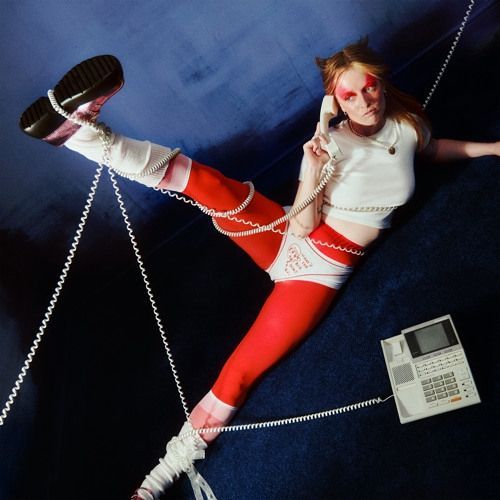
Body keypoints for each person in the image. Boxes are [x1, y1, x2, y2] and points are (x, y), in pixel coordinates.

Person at [19, 40, 500, 500]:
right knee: (206, 183)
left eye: (369, 87)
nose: (364, 101)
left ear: (380, 81)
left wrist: (492, 148)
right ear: (335, 102)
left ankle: (153, 482)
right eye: (349, 95)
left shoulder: (408, 125)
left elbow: (433, 149)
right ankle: (82, 135)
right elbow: (304, 223)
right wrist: (313, 166)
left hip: (318, 275)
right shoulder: (330, 143)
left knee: (240, 372)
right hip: (293, 235)